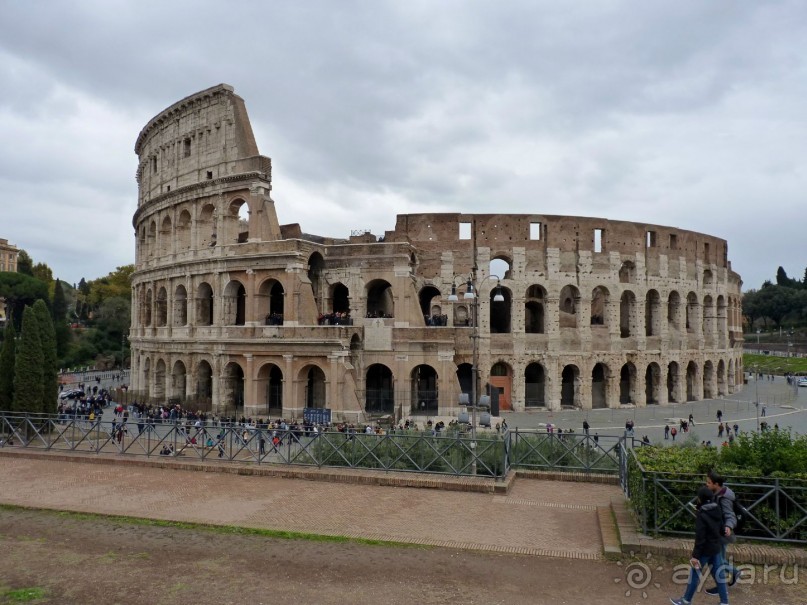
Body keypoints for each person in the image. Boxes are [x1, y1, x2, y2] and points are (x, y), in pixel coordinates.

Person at [669, 485, 730, 605]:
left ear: (700, 498)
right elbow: (721, 528)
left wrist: (695, 556)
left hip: (705, 551)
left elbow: (700, 538)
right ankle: (724, 602)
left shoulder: (702, 514)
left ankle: (686, 600)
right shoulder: (717, 509)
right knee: (719, 575)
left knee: (695, 574)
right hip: (715, 548)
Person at [703, 470, 740, 597]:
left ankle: (723, 586)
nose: (706, 484)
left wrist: (728, 526)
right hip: (716, 532)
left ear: (716, 484)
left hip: (722, 534)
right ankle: (732, 574)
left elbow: (730, 515)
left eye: (709, 482)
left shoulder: (724, 498)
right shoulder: (718, 493)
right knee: (718, 560)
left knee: (718, 561)